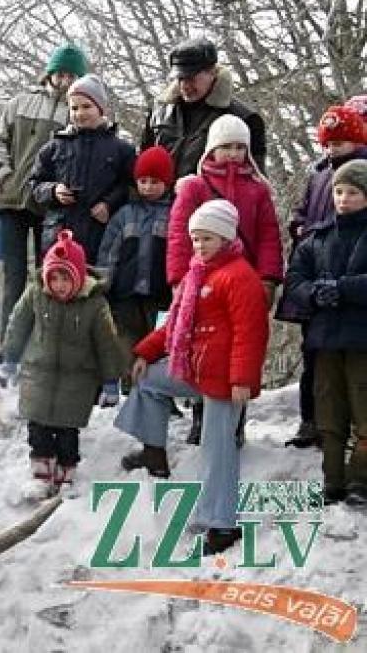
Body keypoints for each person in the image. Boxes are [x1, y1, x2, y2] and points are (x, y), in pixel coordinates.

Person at [115, 200, 269, 553]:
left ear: (226, 238)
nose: (200, 245)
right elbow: (173, 324)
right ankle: (154, 452)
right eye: (196, 238)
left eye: (207, 238)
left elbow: (251, 334)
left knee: (218, 450)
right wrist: (145, 352)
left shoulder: (239, 276)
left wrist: (241, 379)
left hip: (225, 380)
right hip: (194, 369)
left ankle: (221, 524)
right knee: (148, 380)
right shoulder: (196, 272)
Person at [168, 114, 283, 445]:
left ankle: (235, 420)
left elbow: (268, 237)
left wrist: (268, 279)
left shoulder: (258, 190)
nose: (233, 154)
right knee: (202, 349)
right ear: (211, 149)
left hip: (242, 283)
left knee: (239, 350)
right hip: (199, 282)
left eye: (239, 147)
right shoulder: (195, 187)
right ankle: (200, 415)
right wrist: (178, 280)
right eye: (226, 147)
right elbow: (178, 235)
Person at [0, 230, 126, 497]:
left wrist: (111, 380)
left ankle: (67, 466)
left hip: (77, 380)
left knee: (67, 430)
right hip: (38, 375)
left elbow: (107, 344)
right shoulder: (36, 294)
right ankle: (41, 467)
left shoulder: (94, 305)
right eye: (54, 278)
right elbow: (18, 325)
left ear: (78, 277)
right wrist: (10, 357)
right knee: (38, 426)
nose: (59, 285)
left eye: (65, 278)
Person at [277, 106, 367, 449]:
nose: (332, 149)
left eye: (339, 142)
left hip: (351, 278)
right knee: (314, 354)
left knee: (353, 367)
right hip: (316, 271)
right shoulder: (317, 173)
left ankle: (352, 428)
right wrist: (300, 225)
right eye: (328, 144)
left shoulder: (361, 172)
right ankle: (312, 420)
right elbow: (304, 209)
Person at [0, 42, 86, 350]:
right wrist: (4, 175)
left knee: (49, 276)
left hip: (49, 207)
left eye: (71, 75)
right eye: (61, 73)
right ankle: (9, 347)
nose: (65, 80)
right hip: (13, 201)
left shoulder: (77, 112)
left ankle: (40, 347)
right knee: (13, 277)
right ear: (50, 73)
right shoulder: (20, 102)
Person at [283, 160, 367, 506]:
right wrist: (315, 293)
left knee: (364, 410)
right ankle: (332, 481)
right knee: (329, 414)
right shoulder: (316, 237)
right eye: (339, 191)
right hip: (325, 339)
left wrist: (343, 288)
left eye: (353, 192)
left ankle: (360, 480)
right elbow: (294, 279)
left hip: (362, 340)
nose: (344, 199)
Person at [29, 74, 135, 262]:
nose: (79, 113)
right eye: (74, 108)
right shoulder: (54, 146)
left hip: (101, 237)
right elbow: (34, 184)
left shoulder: (122, 149)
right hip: (59, 237)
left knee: (95, 280)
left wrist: (109, 204)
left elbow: (130, 186)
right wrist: (53, 191)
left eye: (86, 106)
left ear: (101, 108)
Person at [142, 38, 266, 177]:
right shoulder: (158, 113)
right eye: (180, 78)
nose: (185, 86)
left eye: (191, 78)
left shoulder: (243, 119)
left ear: (212, 73)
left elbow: (255, 179)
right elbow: (142, 167)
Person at [97, 145, 175, 356]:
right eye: (143, 181)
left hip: (160, 296)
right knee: (125, 348)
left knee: (157, 348)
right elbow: (108, 254)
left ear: (167, 183)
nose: (148, 187)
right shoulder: (124, 215)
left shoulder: (174, 215)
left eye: (155, 182)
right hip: (126, 296)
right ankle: (126, 377)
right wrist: (104, 287)